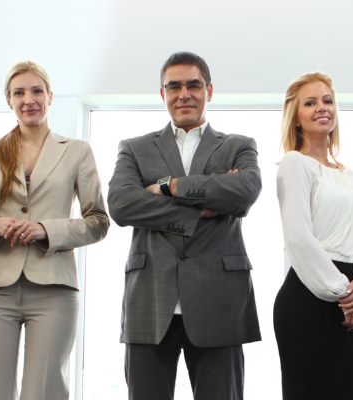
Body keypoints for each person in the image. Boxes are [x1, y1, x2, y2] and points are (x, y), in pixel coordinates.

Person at [107, 51, 261, 400]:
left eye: (193, 85)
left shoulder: (238, 146)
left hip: (218, 298)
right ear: (162, 93)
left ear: (209, 89)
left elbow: (244, 192)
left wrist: (170, 186)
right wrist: (201, 208)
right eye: (173, 86)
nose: (184, 94)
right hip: (150, 298)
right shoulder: (134, 148)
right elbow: (121, 204)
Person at [0, 60, 109, 400]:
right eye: (19, 93)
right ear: (9, 101)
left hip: (54, 288)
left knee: (44, 392)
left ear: (51, 97)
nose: (29, 99)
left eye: (37, 91)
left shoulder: (77, 151)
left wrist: (47, 230)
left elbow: (98, 222)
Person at [272, 72, 353, 400]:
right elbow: (298, 238)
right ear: (296, 116)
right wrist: (346, 291)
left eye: (327, 100)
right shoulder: (294, 163)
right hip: (306, 303)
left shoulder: (348, 174)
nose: (322, 108)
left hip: (345, 303)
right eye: (310, 102)